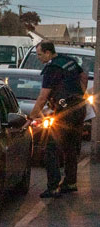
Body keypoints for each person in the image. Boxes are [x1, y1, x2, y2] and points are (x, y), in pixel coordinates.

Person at [29, 41, 88, 198]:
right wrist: (80, 94)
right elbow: (83, 76)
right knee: (70, 147)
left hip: (65, 111)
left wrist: (31, 117)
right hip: (79, 108)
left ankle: (53, 186)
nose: (38, 57)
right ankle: (70, 182)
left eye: (40, 54)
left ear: (48, 53)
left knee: (51, 149)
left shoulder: (52, 69)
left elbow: (43, 98)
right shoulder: (68, 61)